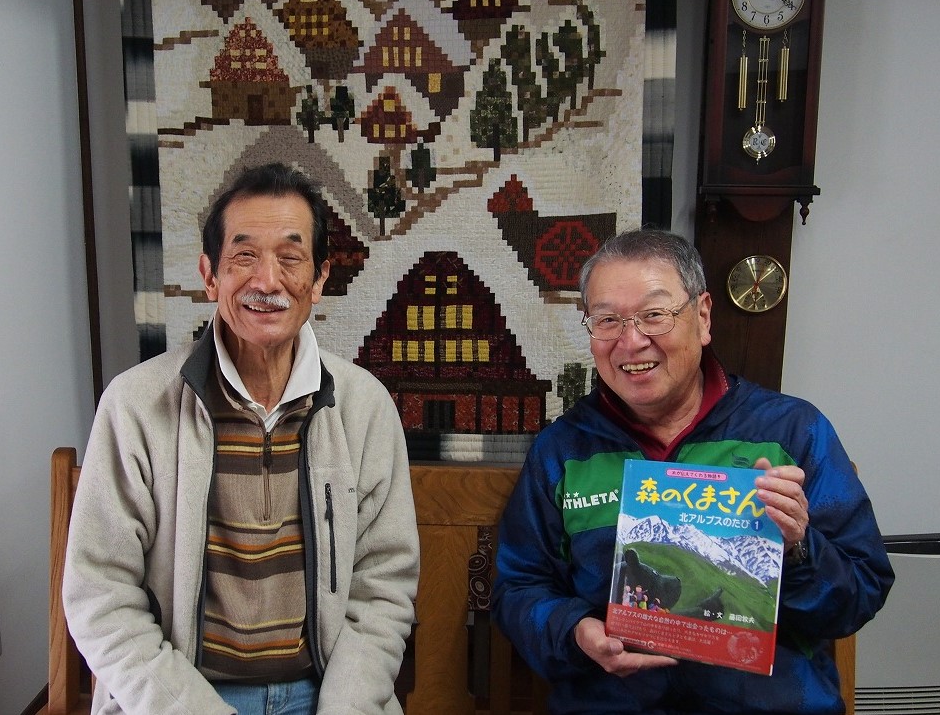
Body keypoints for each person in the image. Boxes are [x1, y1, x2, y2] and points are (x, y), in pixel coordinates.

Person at [63, 162, 419, 715]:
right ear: (210, 276)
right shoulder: (136, 406)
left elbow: (383, 589)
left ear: (319, 279)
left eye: (290, 258)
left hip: (324, 693)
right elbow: (99, 594)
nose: (267, 281)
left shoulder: (364, 407)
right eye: (244, 256)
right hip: (182, 694)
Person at [491, 228, 893, 714]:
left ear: (702, 317)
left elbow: (861, 593)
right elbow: (517, 588)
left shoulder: (792, 432)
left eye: (654, 315)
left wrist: (799, 548)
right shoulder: (563, 451)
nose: (631, 341)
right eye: (607, 320)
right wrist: (574, 632)